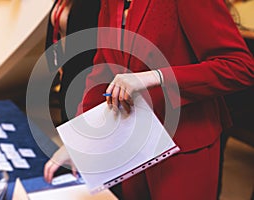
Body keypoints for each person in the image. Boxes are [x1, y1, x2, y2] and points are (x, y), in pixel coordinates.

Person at [44, 0, 254, 199]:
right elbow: (102, 72)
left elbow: (240, 67)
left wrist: (156, 77)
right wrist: (81, 142)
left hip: (184, 146)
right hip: (133, 144)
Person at [45, 0, 100, 125]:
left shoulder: (91, 3)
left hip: (83, 69)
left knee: (75, 117)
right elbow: (53, 30)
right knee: (65, 115)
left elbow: (89, 41)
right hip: (65, 67)